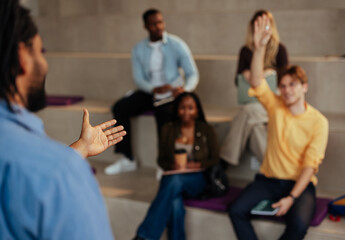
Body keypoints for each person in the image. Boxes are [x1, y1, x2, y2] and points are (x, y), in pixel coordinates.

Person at [0, 1, 126, 239]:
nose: (44, 63)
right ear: (22, 58)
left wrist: (79, 149)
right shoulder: (60, 173)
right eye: (40, 52)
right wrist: (66, 163)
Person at [228, 15, 329, 240]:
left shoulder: (319, 121)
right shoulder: (275, 106)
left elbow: (310, 167)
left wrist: (291, 198)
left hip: (300, 185)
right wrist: (260, 47)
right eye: (282, 86)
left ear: (305, 87)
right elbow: (256, 82)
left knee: (298, 226)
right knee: (235, 210)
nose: (287, 90)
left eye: (292, 84)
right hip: (268, 180)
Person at [105, 9, 199, 175]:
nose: (158, 27)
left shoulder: (177, 44)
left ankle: (163, 162)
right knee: (120, 108)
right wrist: (153, 89)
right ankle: (127, 158)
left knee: (163, 113)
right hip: (150, 92)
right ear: (146, 26)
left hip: (173, 94)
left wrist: (185, 90)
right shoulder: (138, 49)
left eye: (160, 22)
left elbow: (193, 74)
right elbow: (138, 78)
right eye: (154, 24)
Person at [133, 92, 219, 240]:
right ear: (176, 110)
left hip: (197, 180)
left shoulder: (206, 130)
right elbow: (161, 160)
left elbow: (215, 159)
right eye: (182, 108)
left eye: (190, 108)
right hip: (174, 176)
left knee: (174, 182)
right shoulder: (168, 129)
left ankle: (145, 236)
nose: (186, 112)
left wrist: (198, 164)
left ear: (197, 110)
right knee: (174, 203)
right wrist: (172, 165)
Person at [220, 10, 288, 165]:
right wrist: (245, 73)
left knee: (247, 113)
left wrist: (270, 73)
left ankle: (223, 162)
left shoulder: (280, 49)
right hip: (252, 102)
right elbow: (237, 82)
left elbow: (287, 80)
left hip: (271, 103)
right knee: (256, 128)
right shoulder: (245, 51)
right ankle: (272, 168)